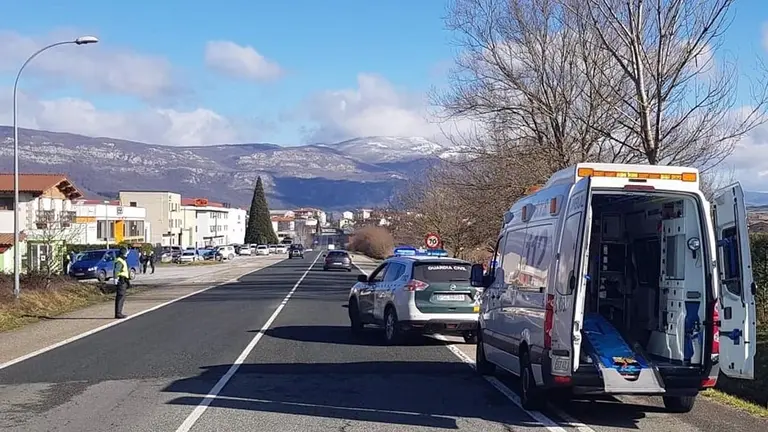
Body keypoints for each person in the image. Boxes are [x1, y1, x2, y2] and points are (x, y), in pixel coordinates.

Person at [113, 247, 131, 319]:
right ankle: (118, 313)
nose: (127, 254)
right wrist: (115, 279)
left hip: (124, 280)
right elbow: (116, 270)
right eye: (126, 253)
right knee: (120, 297)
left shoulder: (122, 260)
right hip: (121, 280)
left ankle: (119, 312)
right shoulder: (120, 261)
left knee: (122, 297)